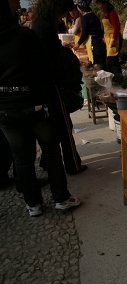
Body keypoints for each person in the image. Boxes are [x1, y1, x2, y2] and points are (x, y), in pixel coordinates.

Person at [0, 0, 80, 216]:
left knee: (22, 157)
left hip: (6, 109)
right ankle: (61, 199)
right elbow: (45, 68)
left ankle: (33, 204)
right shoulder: (25, 36)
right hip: (33, 104)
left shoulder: (27, 33)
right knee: (51, 152)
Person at [32, 0, 88, 176]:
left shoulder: (38, 23)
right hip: (52, 85)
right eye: (63, 13)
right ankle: (73, 164)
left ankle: (47, 162)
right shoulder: (46, 28)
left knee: (53, 126)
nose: (63, 16)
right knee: (64, 126)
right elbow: (51, 61)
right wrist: (63, 84)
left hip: (43, 85)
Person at [95, 0, 123, 83]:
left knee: (112, 61)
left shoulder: (112, 13)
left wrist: (113, 40)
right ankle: (113, 81)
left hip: (113, 39)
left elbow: (117, 28)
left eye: (100, 4)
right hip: (107, 39)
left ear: (105, 4)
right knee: (109, 61)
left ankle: (119, 80)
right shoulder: (104, 14)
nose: (99, 7)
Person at [73, 0, 105, 69]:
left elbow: (84, 34)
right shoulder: (94, 16)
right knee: (101, 65)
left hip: (93, 43)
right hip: (99, 42)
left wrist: (77, 44)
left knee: (97, 66)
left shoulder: (85, 18)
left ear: (80, 7)